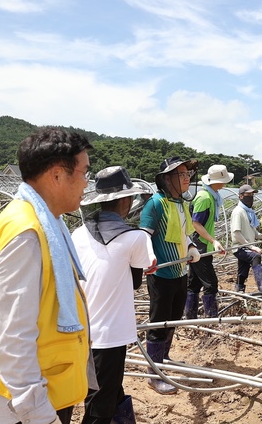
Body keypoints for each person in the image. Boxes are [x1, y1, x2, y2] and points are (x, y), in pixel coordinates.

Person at [0, 128, 94, 424]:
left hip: (42, 389)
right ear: (57, 175)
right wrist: (39, 414)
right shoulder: (27, 233)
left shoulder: (40, 221)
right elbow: (14, 336)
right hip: (28, 403)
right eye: (84, 172)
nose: (87, 182)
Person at [72, 166, 157, 424]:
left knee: (104, 389)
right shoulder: (135, 238)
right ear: (125, 200)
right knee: (100, 405)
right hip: (110, 335)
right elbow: (137, 279)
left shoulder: (78, 233)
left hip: (80, 330)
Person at [139, 156, 201, 395]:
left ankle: (164, 358)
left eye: (188, 175)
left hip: (180, 271)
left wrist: (192, 247)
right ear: (167, 179)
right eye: (182, 174)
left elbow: (185, 234)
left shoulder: (182, 204)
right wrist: (148, 258)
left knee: (174, 317)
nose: (187, 178)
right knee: (158, 321)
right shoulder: (155, 204)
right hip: (162, 273)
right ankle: (154, 375)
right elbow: (143, 235)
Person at [185, 164, 233, 318]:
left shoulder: (212, 196)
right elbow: (195, 223)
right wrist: (213, 241)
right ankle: (211, 319)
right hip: (200, 247)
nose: (225, 184)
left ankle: (190, 317)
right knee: (211, 284)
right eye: (223, 180)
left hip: (202, 246)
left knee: (194, 283)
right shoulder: (204, 198)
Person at [230, 184, 262, 294]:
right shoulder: (238, 212)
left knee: (243, 269)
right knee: (255, 257)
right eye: (248, 194)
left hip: (245, 246)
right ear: (241, 196)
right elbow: (236, 234)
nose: (251, 197)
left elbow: (254, 232)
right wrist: (251, 246)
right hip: (239, 247)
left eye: (252, 194)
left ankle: (239, 288)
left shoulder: (248, 212)